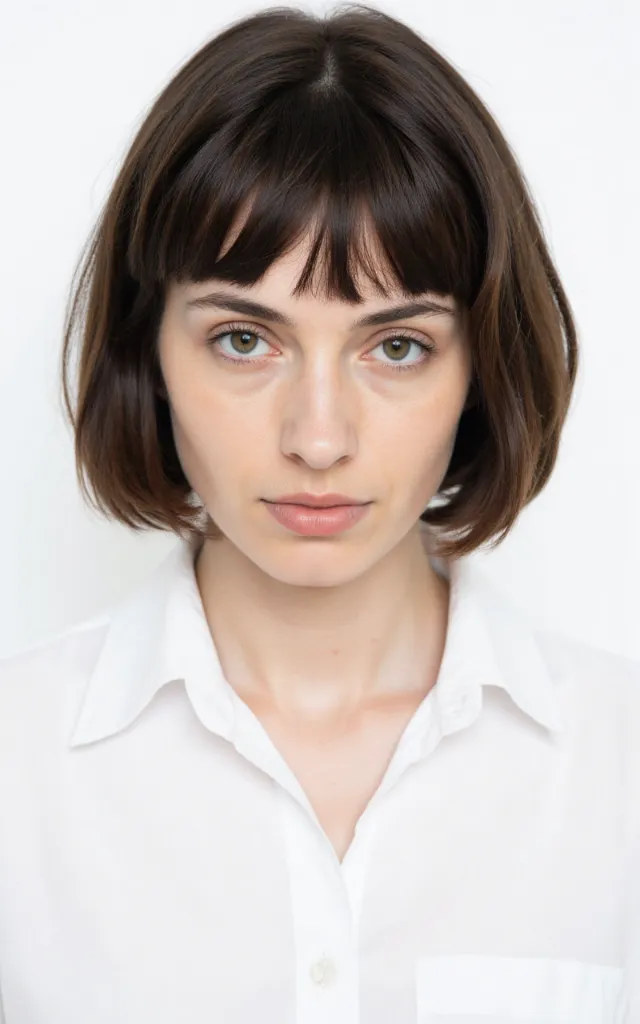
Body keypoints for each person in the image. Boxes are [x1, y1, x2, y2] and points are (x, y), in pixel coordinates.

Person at [0, 3, 638, 1022]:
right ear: (147, 350)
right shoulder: (17, 766)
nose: (319, 438)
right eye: (244, 340)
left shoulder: (619, 766)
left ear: (480, 368)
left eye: (398, 347)